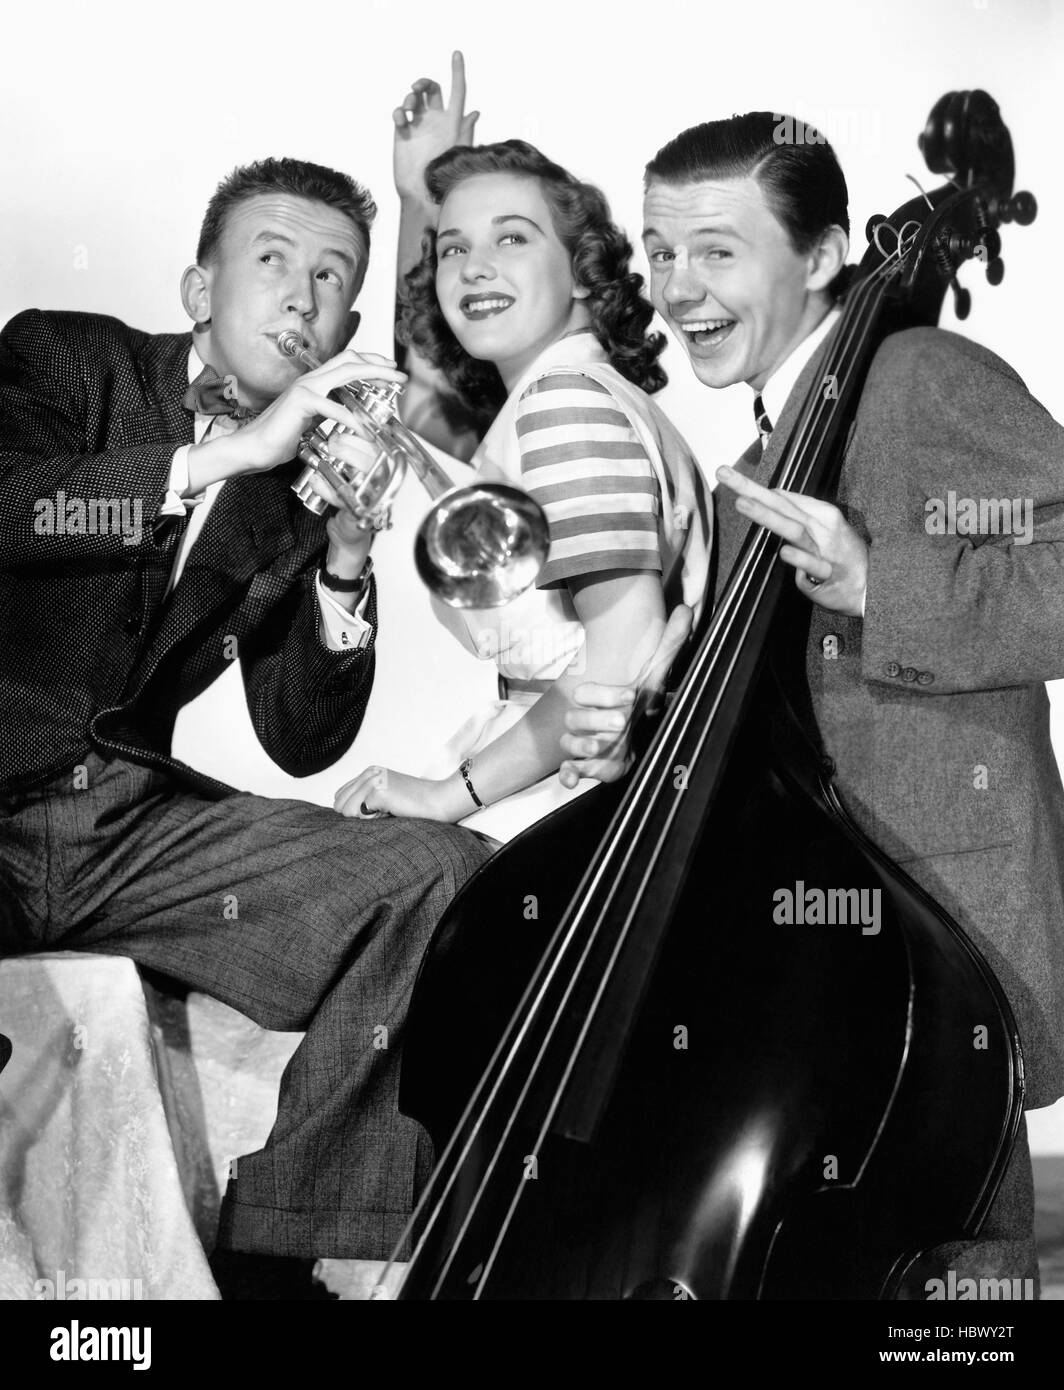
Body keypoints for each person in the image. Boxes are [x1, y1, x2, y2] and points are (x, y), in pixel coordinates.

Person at [561, 111, 1064, 1295]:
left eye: (716, 252)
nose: (677, 288)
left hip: (940, 948)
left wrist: (880, 579)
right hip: (811, 966)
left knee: (949, 1307)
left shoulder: (916, 378)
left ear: (827, 253)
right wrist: (642, 729)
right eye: (659, 251)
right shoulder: (766, 458)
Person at [0, 154, 493, 1299]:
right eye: (271, 262)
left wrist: (346, 557)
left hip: (126, 825)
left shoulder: (291, 486)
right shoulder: (66, 358)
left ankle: (286, 1250)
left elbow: (301, 737)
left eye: (332, 279)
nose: (301, 298)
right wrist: (222, 454)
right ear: (195, 289)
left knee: (438, 874)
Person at [334, 139, 710, 841]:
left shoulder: (563, 404)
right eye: (452, 249)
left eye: (513, 237)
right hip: (543, 778)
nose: (474, 267)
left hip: (573, 804)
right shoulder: (554, 396)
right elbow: (423, 412)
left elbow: (622, 654)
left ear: (582, 272)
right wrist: (419, 194)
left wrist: (452, 794)